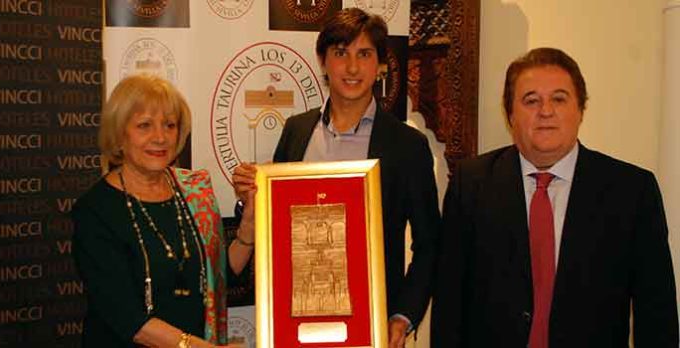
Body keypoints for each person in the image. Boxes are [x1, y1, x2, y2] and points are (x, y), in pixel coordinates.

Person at [430, 47, 678, 347]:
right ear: (510, 114)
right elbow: (449, 306)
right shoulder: (470, 185)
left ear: (580, 110)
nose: (545, 111)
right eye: (531, 100)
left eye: (559, 99)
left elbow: (657, 315)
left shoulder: (632, 191)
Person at [233, 8, 441, 347]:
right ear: (323, 60)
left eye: (364, 54)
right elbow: (275, 229)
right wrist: (251, 198)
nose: (353, 67)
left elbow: (430, 245)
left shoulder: (407, 145)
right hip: (295, 320)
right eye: (341, 53)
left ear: (380, 65)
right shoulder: (296, 131)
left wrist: (402, 317)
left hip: (371, 324)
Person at [72, 74, 255, 347]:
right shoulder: (95, 210)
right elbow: (130, 320)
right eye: (144, 125)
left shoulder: (194, 190)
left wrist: (247, 234)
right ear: (119, 134)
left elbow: (218, 278)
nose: (160, 137)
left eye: (169, 125)